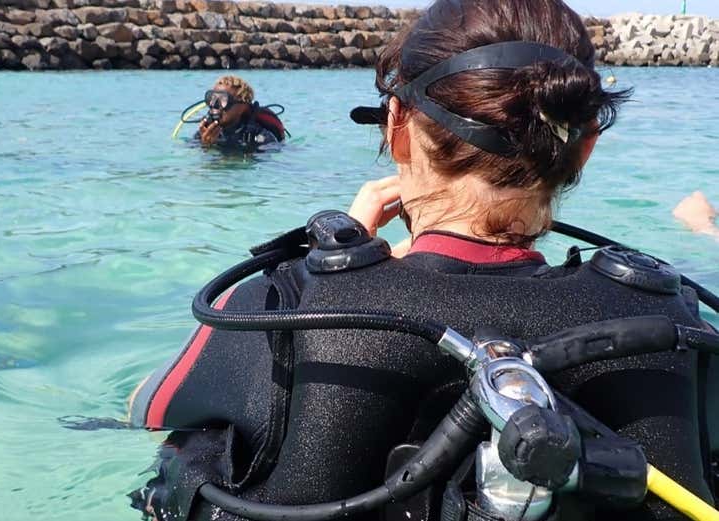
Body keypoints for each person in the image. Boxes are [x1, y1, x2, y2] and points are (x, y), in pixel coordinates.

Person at [127, 1, 715, 520]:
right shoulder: (670, 320)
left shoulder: (283, 304)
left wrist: (344, 260)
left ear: (398, 127)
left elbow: (145, 407)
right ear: (584, 148)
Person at [195, 75, 287, 150]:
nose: (214, 105)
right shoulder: (204, 133)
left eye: (223, 99)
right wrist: (206, 144)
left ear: (243, 106)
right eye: (212, 98)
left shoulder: (261, 137)